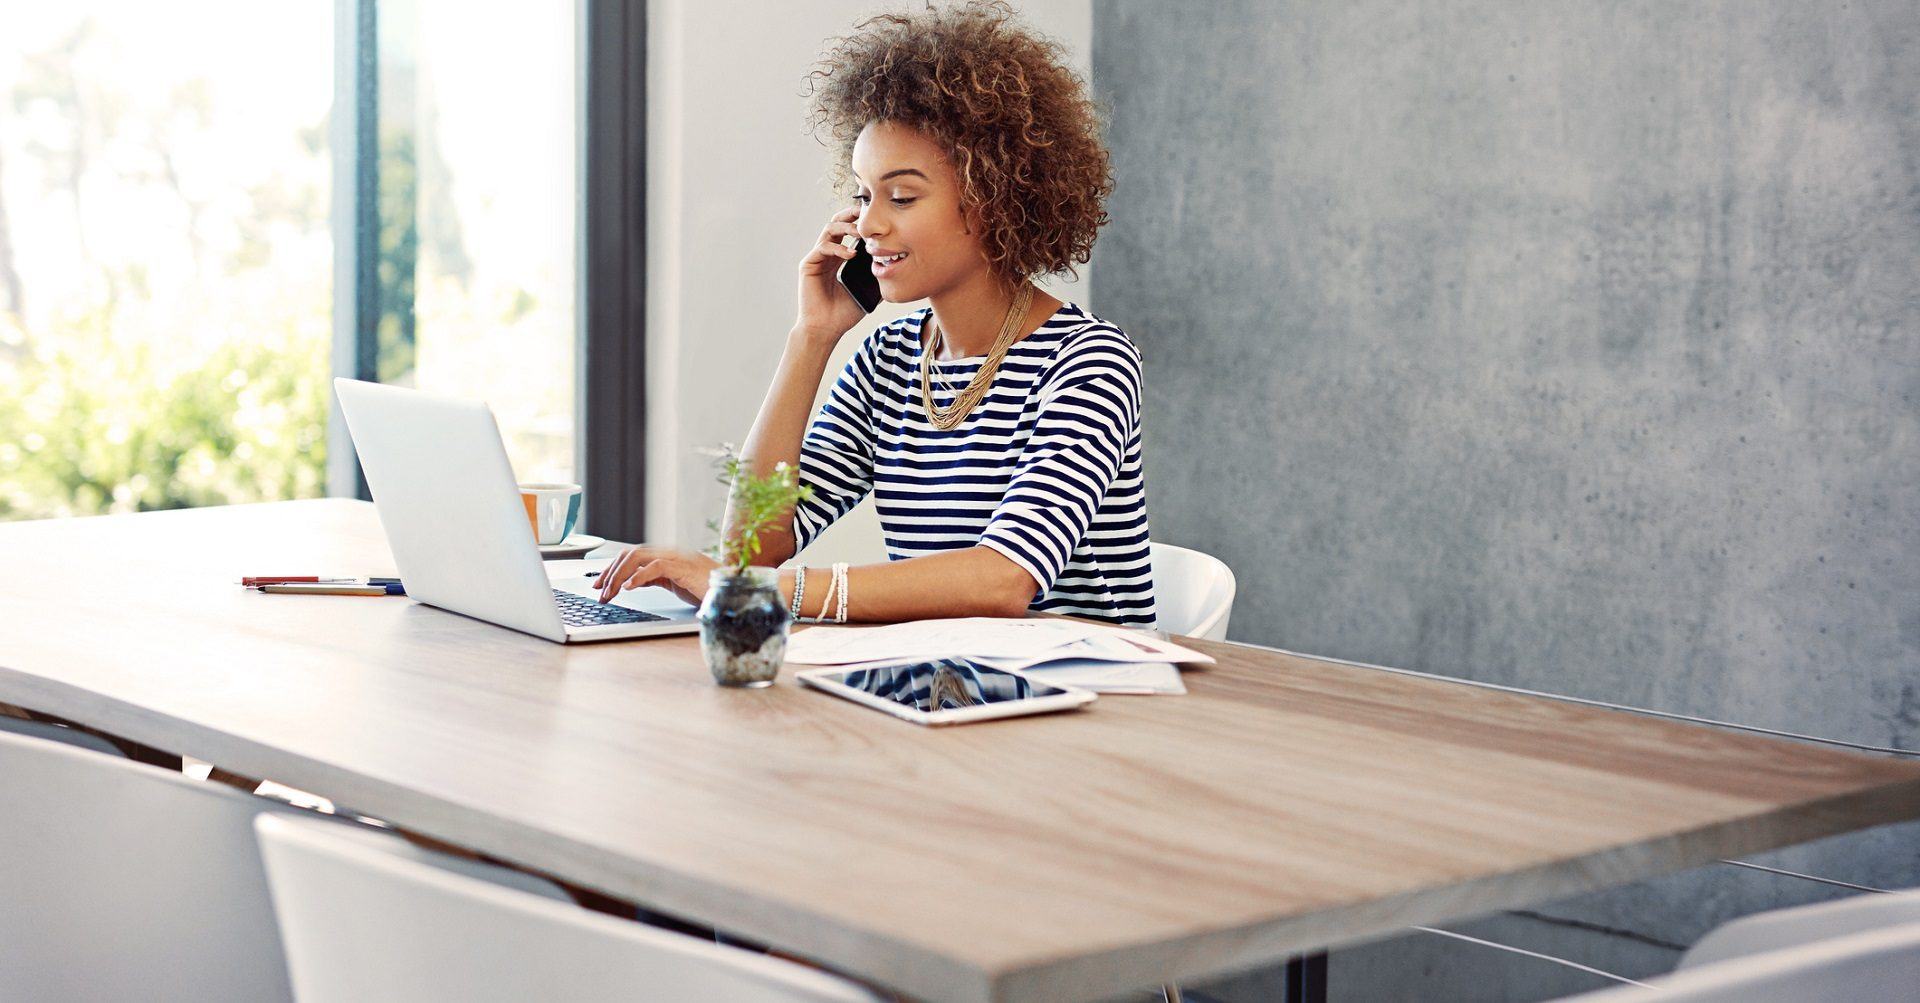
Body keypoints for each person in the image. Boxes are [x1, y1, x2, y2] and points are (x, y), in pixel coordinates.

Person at [598, 0, 1156, 630]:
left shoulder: (1088, 363)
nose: (867, 223)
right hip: (941, 692)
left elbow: (1002, 579)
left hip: (1086, 701)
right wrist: (811, 339)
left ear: (997, 199)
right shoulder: (886, 363)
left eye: (902, 196)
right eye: (863, 195)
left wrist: (758, 589)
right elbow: (751, 550)